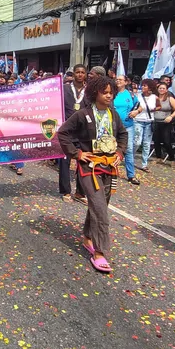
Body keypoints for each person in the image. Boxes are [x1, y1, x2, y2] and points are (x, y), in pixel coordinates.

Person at [57, 74, 129, 274]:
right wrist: (77, 153)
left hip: (109, 167)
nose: (109, 96)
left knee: (100, 206)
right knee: (100, 208)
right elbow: (62, 133)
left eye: (111, 92)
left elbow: (123, 134)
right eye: (104, 92)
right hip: (89, 168)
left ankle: (88, 236)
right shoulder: (83, 114)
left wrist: (120, 152)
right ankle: (100, 252)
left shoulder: (113, 115)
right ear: (94, 92)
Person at [59, 64, 88, 202]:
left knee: (83, 161)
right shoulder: (64, 89)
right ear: (73, 74)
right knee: (64, 162)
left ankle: (80, 192)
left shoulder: (89, 91)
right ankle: (65, 191)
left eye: (82, 72)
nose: (80, 74)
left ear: (85, 74)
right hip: (67, 131)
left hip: (83, 132)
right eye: (77, 72)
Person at [113, 75, 140, 185]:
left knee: (128, 149)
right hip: (112, 125)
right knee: (111, 148)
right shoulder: (111, 92)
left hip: (127, 126)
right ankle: (110, 170)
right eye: (117, 79)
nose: (118, 81)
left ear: (125, 82)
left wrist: (136, 112)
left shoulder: (131, 94)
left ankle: (131, 175)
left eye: (120, 80)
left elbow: (139, 106)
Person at [132, 80, 157, 172]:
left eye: (145, 86)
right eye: (142, 86)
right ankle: (131, 158)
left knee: (147, 143)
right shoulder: (137, 95)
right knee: (137, 142)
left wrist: (153, 110)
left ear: (150, 87)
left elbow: (159, 106)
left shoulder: (154, 97)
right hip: (138, 120)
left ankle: (144, 164)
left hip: (149, 121)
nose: (143, 87)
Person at [152, 83, 175, 161]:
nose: (161, 90)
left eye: (163, 88)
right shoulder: (154, 98)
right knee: (156, 141)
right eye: (160, 88)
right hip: (155, 121)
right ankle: (158, 157)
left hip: (165, 122)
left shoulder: (170, 98)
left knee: (166, 141)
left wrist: (171, 116)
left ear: (166, 90)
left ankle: (172, 158)